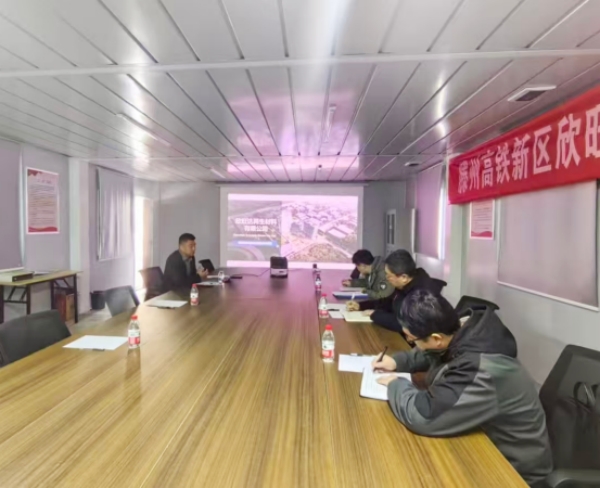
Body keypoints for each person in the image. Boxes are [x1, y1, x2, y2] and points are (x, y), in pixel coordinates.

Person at [372, 290, 553, 487]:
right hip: (482, 444)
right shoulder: (462, 329)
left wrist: (396, 384)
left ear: (436, 338)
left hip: (511, 471)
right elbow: (434, 352)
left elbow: (424, 417)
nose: (410, 343)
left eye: (411, 338)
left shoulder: (480, 369)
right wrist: (397, 361)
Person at [346, 249, 441, 333]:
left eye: (389, 276)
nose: (386, 278)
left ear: (404, 277)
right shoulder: (403, 285)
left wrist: (375, 314)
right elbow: (387, 302)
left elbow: (404, 324)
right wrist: (361, 305)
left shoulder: (421, 295)